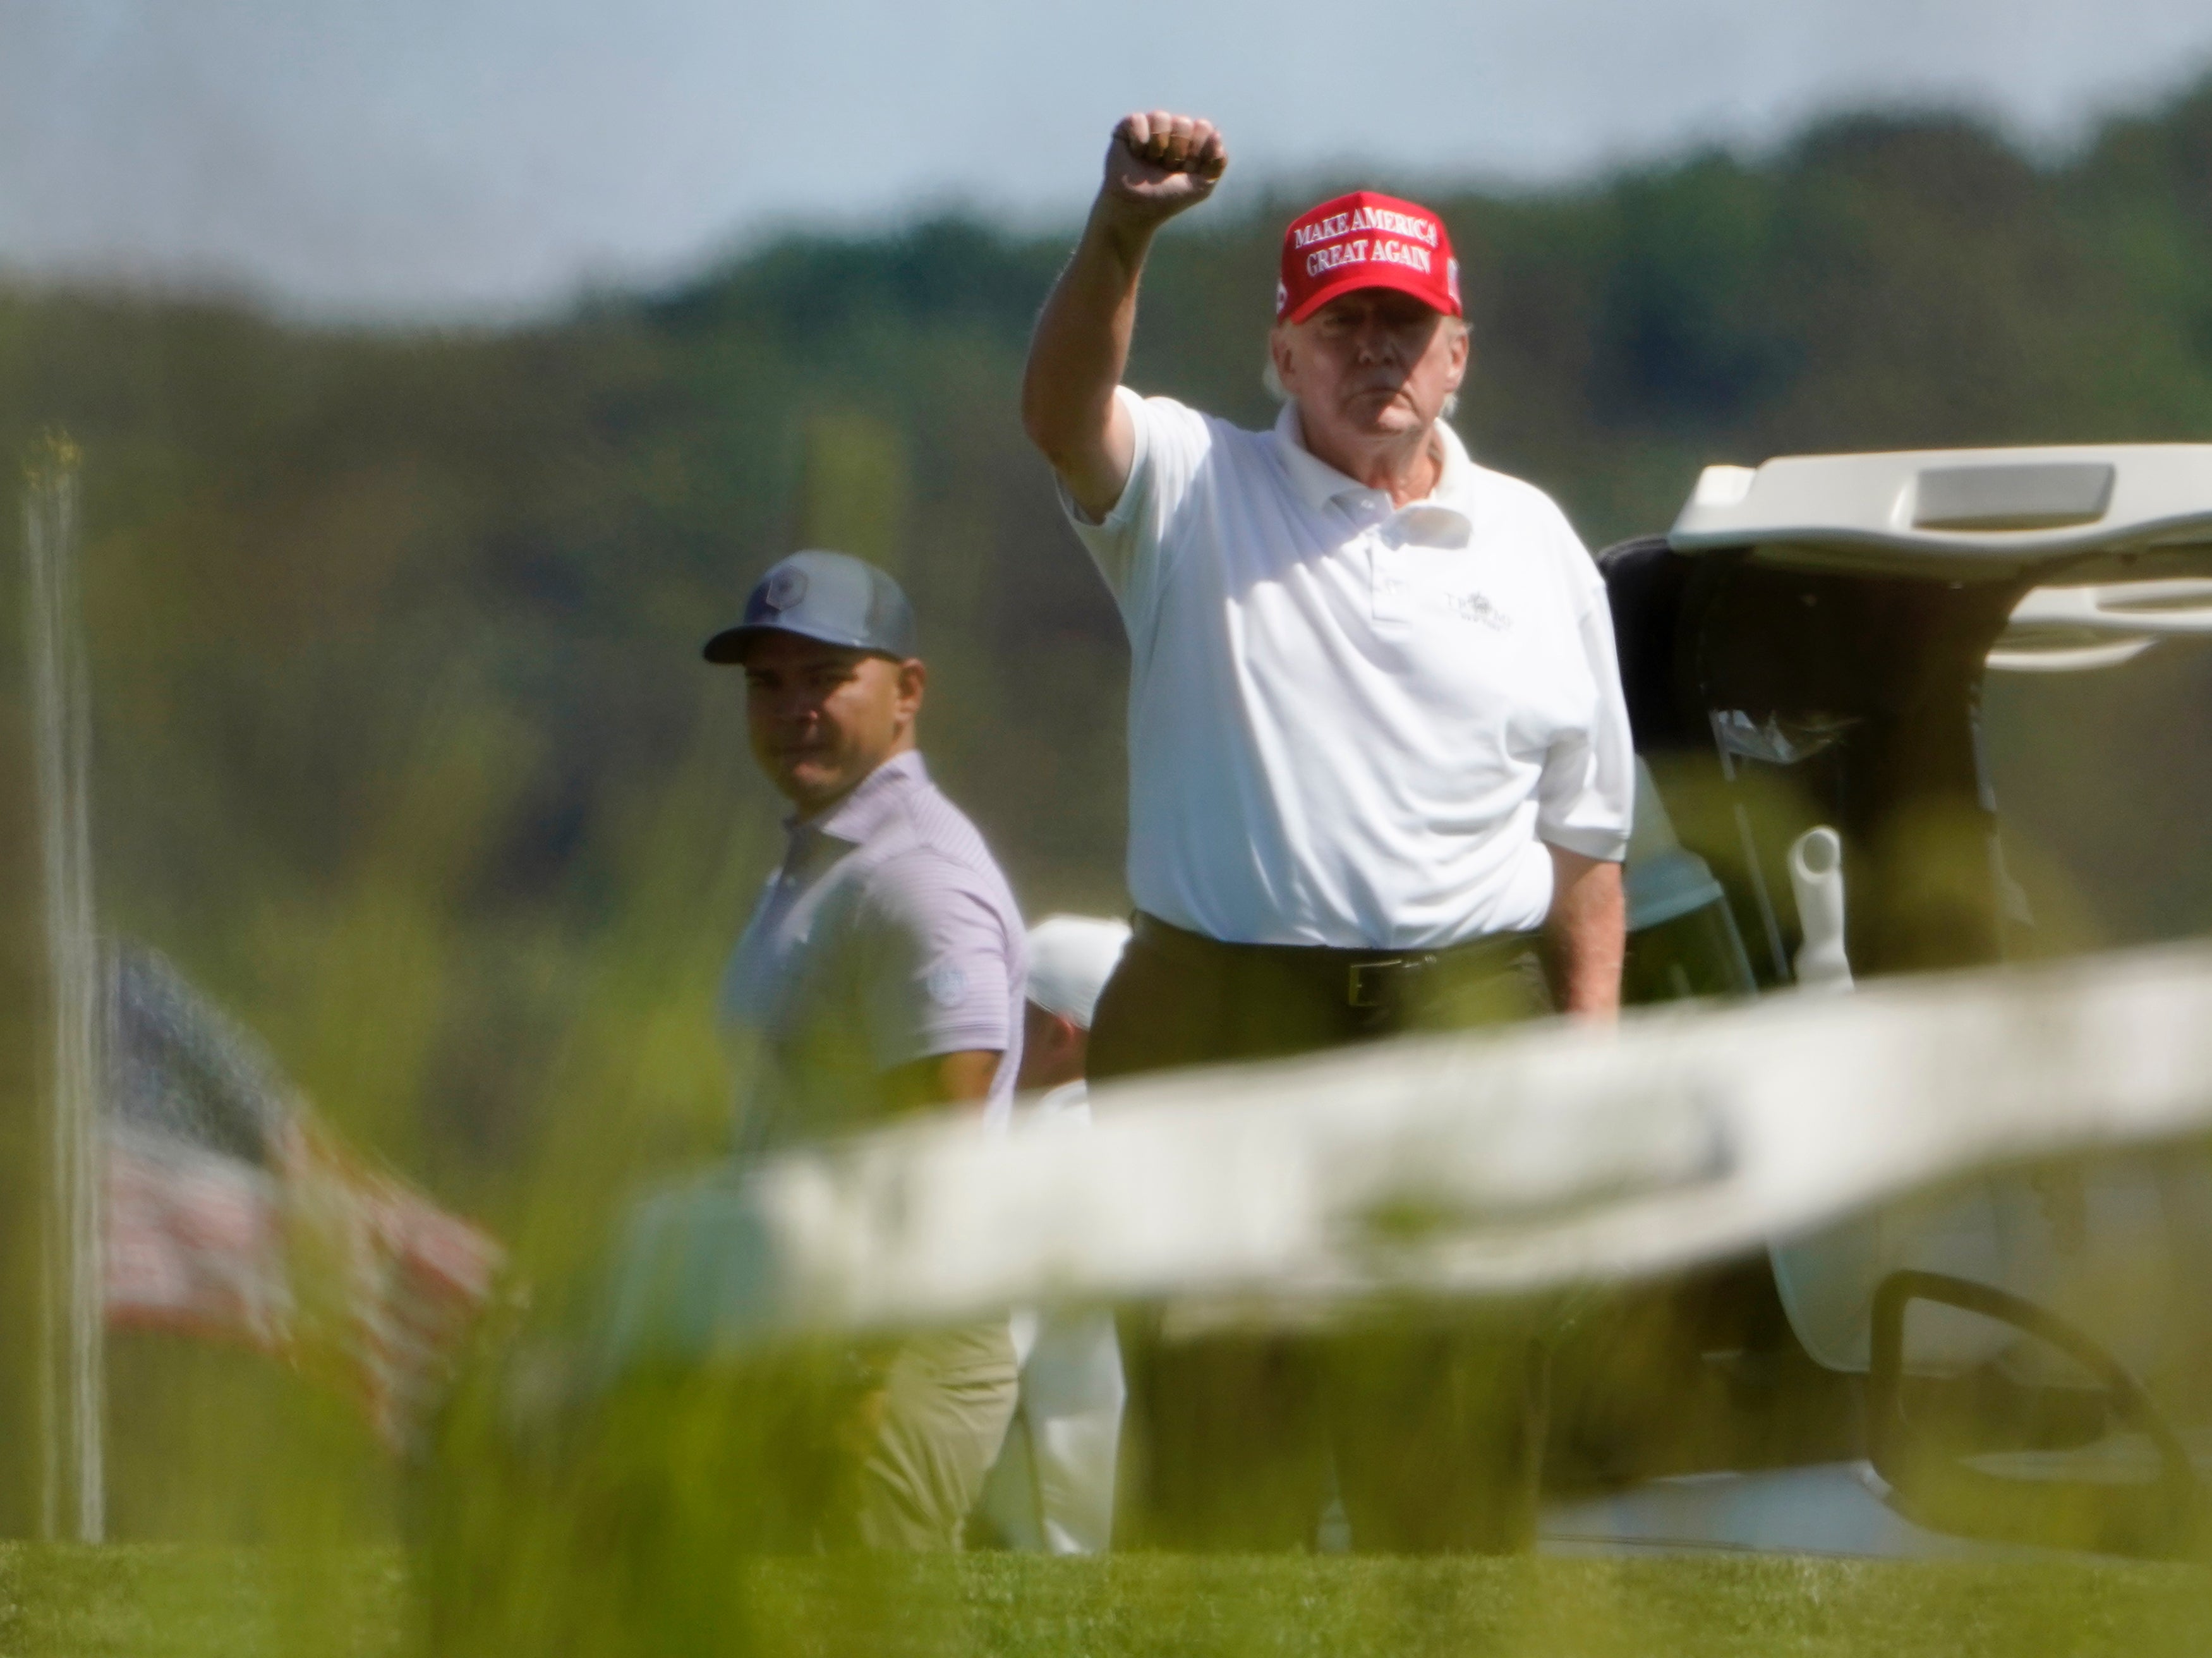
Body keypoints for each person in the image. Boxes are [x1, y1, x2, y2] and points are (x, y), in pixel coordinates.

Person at [1020, 112, 1635, 1550]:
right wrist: (1122, 230)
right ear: (1282, 355)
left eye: (1407, 326)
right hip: (1217, 1012)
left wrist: (1590, 1066)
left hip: (1460, 1015)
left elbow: (1585, 842)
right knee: (1223, 1462)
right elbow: (1060, 414)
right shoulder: (1189, 487)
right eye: (1342, 323)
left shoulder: (1537, 543)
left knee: (1459, 1463)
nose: (1378, 355)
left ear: (1459, 352)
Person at [709, 547, 1027, 1551]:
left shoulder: (917, 881)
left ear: (907, 692)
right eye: (769, 683)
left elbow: (944, 1146)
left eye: (827, 677)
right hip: (795, 1328)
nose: (793, 707)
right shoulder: (820, 866)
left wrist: (870, 1383)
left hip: (891, 1342)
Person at [975, 914, 1132, 1554]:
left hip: (1046, 1548)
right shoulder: (1152, 1137)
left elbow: (982, 1354)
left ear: (1057, 1035)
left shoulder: (1035, 1161)